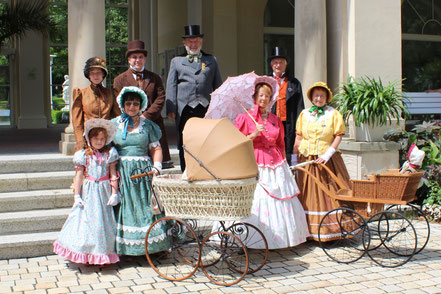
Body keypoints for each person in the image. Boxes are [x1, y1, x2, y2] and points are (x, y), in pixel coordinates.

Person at [233, 76, 310, 249]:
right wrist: (253, 135)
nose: (263, 99)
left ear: (270, 99)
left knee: (281, 199)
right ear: (254, 98)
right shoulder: (244, 118)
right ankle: (249, 239)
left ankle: (282, 239)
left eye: (267, 96)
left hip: (277, 164)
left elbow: (281, 143)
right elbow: (236, 143)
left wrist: (286, 164)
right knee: (257, 199)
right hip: (255, 163)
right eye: (260, 95)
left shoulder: (276, 120)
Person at [112, 86, 170, 256]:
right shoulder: (113, 124)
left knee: (147, 207)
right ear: (122, 105)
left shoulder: (148, 125)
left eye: (135, 104)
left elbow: (156, 148)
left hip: (143, 173)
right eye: (128, 103)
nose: (132, 107)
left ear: (141, 105)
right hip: (122, 172)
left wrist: (157, 166)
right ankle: (127, 249)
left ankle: (154, 247)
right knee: (126, 208)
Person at [54, 118, 120, 265]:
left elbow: (113, 175)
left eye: (102, 139)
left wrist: (114, 193)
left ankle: (102, 253)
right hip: (89, 192)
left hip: (104, 192)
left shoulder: (109, 154)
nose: (99, 141)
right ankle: (88, 254)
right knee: (89, 223)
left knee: (104, 224)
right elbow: (78, 176)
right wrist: (77, 195)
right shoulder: (84, 155)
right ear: (89, 138)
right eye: (96, 139)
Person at [294, 81, 351, 241]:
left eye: (322, 96)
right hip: (306, 160)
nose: (318, 98)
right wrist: (293, 159)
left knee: (328, 194)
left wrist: (328, 154)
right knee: (308, 195)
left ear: (326, 98)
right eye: (316, 95)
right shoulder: (304, 114)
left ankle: (330, 231)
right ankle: (307, 232)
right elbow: (298, 137)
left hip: (326, 160)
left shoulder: (333, 114)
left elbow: (338, 135)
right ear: (311, 97)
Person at [166, 25, 222, 171]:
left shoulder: (211, 60)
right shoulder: (176, 61)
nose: (193, 44)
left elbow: (218, 86)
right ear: (184, 43)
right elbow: (171, 86)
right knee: (185, 142)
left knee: (205, 141)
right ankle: (186, 171)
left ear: (201, 41)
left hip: (205, 108)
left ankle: (204, 171)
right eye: (190, 42)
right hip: (184, 109)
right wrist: (171, 108)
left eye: (196, 41)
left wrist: (218, 107)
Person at [113, 40, 173, 169]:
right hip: (129, 125)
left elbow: (161, 97)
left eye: (140, 57)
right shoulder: (119, 80)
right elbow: (117, 101)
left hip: (152, 122)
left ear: (145, 59)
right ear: (128, 59)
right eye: (134, 57)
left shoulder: (154, 78)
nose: (137, 60)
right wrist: (132, 117)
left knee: (156, 160)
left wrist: (146, 116)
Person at [72, 57, 121, 151]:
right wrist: (80, 142)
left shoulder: (111, 93)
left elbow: (117, 117)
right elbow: (77, 121)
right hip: (88, 140)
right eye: (92, 73)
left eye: (98, 72)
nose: (96, 76)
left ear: (103, 74)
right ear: (88, 75)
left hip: (107, 140)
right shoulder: (82, 94)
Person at [268, 47, 305, 166]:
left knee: (288, 149)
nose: (278, 65)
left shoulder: (294, 82)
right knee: (271, 148)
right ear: (271, 64)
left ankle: (288, 175)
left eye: (281, 62)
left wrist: (299, 127)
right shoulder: (266, 81)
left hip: (288, 123)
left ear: (286, 64)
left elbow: (300, 106)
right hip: (270, 122)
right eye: (275, 62)